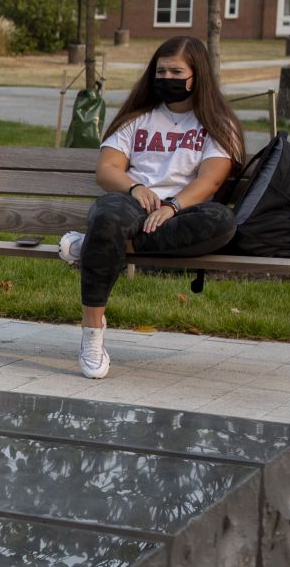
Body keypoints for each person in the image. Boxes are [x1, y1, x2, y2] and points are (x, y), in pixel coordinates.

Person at [58, 35, 242, 380]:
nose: (167, 78)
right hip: (131, 204)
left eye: (176, 71)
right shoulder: (137, 118)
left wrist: (172, 207)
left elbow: (211, 182)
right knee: (109, 215)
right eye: (161, 71)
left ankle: (96, 244)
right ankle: (92, 333)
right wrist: (136, 186)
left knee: (222, 221)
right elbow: (107, 169)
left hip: (183, 212)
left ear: (197, 75)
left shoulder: (217, 124)